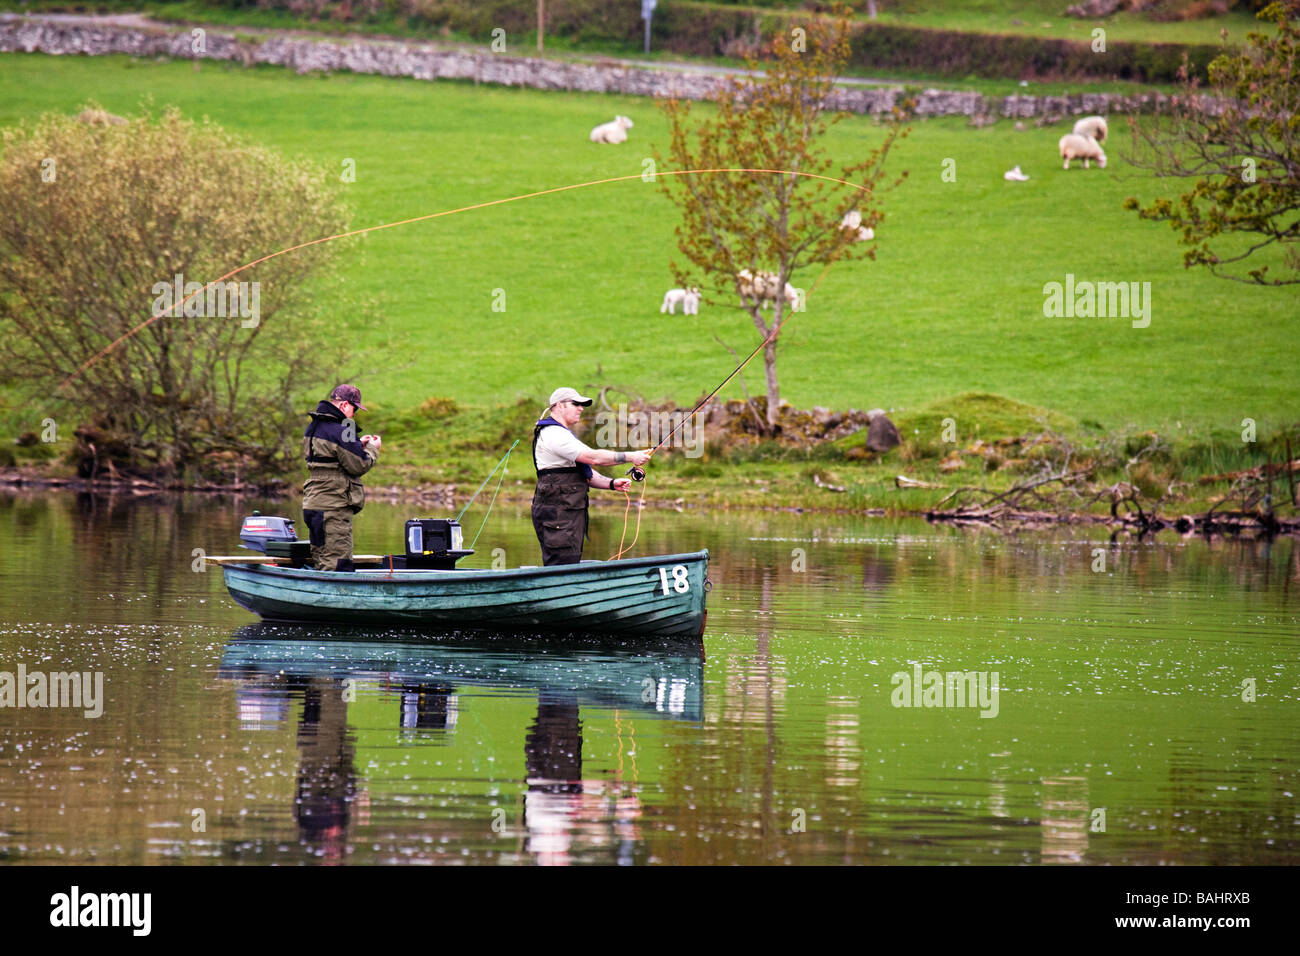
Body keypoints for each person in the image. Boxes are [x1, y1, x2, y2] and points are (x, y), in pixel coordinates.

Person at [532, 387, 652, 566]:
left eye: (582, 405)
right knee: (561, 567)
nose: (581, 408)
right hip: (559, 515)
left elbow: (582, 472)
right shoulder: (554, 434)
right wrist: (630, 456)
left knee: (567, 564)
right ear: (559, 406)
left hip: (564, 514)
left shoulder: (561, 434)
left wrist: (611, 484)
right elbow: (593, 457)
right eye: (576, 404)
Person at [302, 384, 381, 572]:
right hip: (333, 507)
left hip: (313, 504)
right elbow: (358, 465)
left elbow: (329, 457)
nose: (353, 415)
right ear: (345, 405)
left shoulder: (313, 426)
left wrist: (356, 444)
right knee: (337, 564)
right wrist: (372, 448)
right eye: (354, 409)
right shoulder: (342, 429)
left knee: (321, 559)